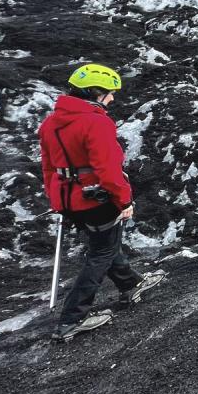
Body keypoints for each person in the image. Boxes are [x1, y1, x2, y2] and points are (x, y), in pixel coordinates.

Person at [40, 64, 161, 342]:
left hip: (69, 200)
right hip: (97, 199)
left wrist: (57, 201)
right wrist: (124, 200)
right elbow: (108, 169)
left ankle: (131, 284)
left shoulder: (50, 123)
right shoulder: (96, 122)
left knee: (104, 244)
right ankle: (72, 318)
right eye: (109, 93)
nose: (112, 98)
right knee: (100, 253)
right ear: (94, 93)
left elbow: (48, 167)